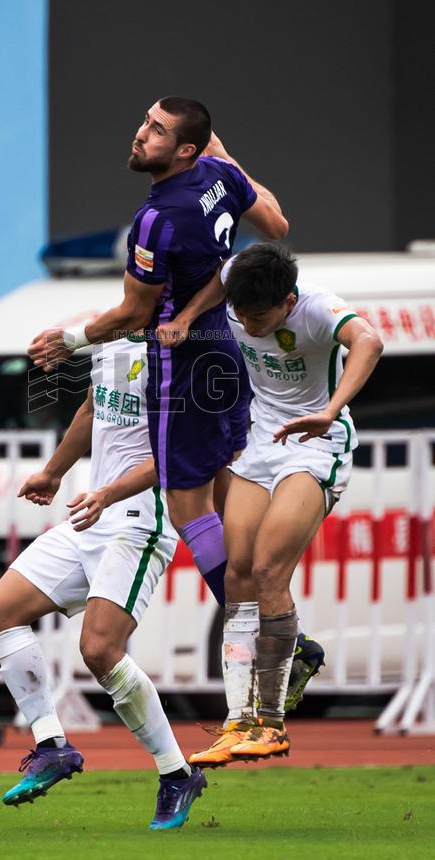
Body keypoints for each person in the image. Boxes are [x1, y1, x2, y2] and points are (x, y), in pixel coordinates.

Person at [28, 99, 288, 604]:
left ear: (185, 149)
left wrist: (71, 340)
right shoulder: (221, 174)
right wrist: (226, 157)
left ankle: (255, 615)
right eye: (146, 121)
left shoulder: (156, 218)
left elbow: (135, 314)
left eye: (157, 130)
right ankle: (268, 608)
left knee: (188, 506)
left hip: (181, 365)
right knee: (225, 489)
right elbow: (277, 224)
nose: (141, 133)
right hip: (225, 352)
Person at [155, 243, 383, 763]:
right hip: (262, 443)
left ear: (288, 301)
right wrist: (188, 318)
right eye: (241, 315)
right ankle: (238, 721)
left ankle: (273, 724)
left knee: (267, 570)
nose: (248, 326)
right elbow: (222, 270)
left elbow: (369, 341)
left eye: (259, 318)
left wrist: (331, 410)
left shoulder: (317, 308)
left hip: (315, 444)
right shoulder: (237, 280)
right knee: (236, 571)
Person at [0, 333, 206, 831]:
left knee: (100, 650)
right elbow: (91, 408)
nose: (127, 297)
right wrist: (53, 472)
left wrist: (108, 493)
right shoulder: (112, 340)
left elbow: (175, 453)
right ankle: (52, 746)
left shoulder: (180, 352)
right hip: (92, 516)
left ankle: (177, 774)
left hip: (139, 522)